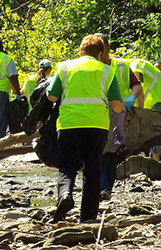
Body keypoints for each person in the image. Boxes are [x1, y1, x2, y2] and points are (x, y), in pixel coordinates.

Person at [47, 34, 124, 222]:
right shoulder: (107, 71)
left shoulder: (65, 67)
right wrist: (120, 125)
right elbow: (117, 105)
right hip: (97, 127)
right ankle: (88, 217)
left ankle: (65, 195)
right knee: (92, 170)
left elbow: (52, 96)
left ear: (80, 51)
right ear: (100, 53)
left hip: (68, 124)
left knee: (67, 167)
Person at [94, 33, 143, 201]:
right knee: (97, 153)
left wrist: (131, 97)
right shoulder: (88, 66)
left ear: (107, 48)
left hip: (118, 118)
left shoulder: (121, 66)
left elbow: (137, 86)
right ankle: (100, 188)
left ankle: (105, 189)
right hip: (95, 116)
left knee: (110, 154)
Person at [129, 53, 161, 161]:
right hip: (159, 99)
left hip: (160, 99)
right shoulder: (137, 66)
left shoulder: (136, 66)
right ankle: (146, 158)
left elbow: (138, 87)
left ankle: (154, 160)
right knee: (147, 127)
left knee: (153, 129)